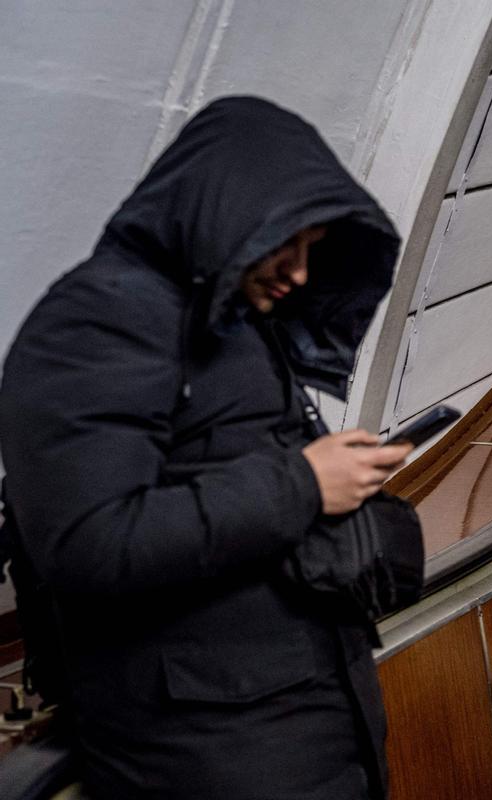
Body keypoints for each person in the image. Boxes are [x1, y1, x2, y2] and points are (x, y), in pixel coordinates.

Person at [0, 97, 419, 799]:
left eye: (313, 249)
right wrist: (306, 485)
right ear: (226, 212)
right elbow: (91, 544)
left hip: (289, 737)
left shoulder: (224, 327)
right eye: (287, 243)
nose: (301, 273)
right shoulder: (96, 321)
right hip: (210, 760)